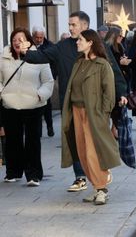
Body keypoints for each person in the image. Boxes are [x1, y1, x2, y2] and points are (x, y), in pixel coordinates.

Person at [19, 11, 127, 193]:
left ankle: (100, 175)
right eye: (69, 25)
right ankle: (81, 176)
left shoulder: (98, 46)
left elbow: (113, 71)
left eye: (73, 25)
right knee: (76, 142)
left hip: (95, 105)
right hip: (71, 105)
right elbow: (42, 57)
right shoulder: (63, 46)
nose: (70, 28)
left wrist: (122, 93)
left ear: (84, 26)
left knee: (94, 142)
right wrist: (26, 52)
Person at [61, 29, 120, 205]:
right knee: (81, 152)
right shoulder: (78, 63)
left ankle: (102, 188)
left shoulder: (102, 65)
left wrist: (103, 114)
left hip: (94, 114)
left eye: (80, 39)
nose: (77, 42)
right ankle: (96, 186)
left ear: (90, 42)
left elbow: (109, 93)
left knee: (93, 152)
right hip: (76, 112)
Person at [0, 27, 54, 185]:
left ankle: (33, 175)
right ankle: (13, 172)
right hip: (10, 105)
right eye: (14, 40)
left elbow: (48, 81)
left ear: (28, 42)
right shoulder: (4, 57)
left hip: (33, 105)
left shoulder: (39, 57)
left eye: (21, 39)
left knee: (33, 141)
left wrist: (40, 95)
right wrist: (3, 93)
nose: (17, 42)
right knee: (12, 141)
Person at [104, 26, 132, 138]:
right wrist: (121, 63)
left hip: (123, 78)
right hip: (115, 80)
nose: (122, 37)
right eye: (120, 35)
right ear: (114, 36)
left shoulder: (120, 47)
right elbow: (112, 64)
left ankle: (115, 127)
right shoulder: (109, 48)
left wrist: (125, 62)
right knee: (117, 105)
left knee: (120, 106)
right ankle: (114, 128)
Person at [32, 25, 56, 137]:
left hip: (46, 80)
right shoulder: (28, 46)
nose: (39, 39)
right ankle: (38, 131)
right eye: (37, 37)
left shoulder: (50, 46)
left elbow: (54, 63)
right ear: (33, 36)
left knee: (47, 105)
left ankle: (49, 126)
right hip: (32, 80)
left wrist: (53, 77)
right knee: (36, 106)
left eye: (41, 37)